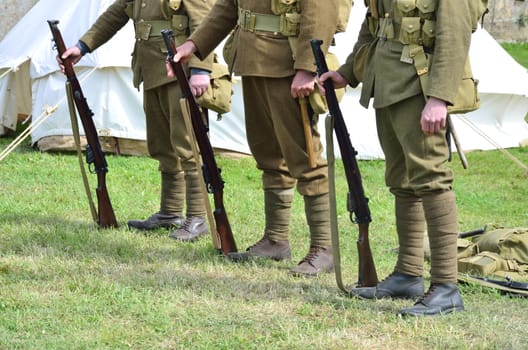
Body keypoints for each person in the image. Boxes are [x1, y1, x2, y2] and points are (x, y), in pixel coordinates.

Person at [319, 0, 472, 315]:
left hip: (422, 84)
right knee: (402, 181)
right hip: (388, 83)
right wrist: (348, 73)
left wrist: (440, 97)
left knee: (431, 179)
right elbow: (376, 24)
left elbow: (455, 34)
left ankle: (446, 287)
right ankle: (408, 273)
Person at [168, 0, 339, 277]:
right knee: (268, 155)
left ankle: (324, 248)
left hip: (289, 64)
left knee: (305, 158)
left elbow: (321, 11)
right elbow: (228, 7)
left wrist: (308, 67)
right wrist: (194, 45)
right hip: (253, 59)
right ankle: (275, 239)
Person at [58, 0, 216, 242]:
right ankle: (170, 212)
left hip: (181, 73)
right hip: (151, 70)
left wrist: (201, 70)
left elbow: (205, 23)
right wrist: (83, 46)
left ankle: (197, 218)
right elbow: (117, 13)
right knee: (161, 145)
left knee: (188, 146)